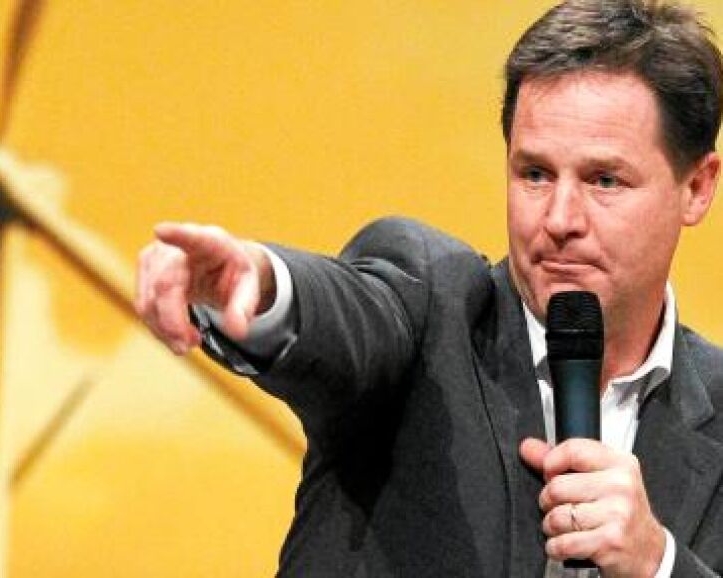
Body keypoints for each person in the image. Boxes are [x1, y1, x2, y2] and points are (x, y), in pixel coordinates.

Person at [135, 1, 723, 576]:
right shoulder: (432, 308)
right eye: (535, 174)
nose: (560, 218)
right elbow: (349, 315)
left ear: (697, 187)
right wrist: (261, 282)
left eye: (604, 180)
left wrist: (658, 564)